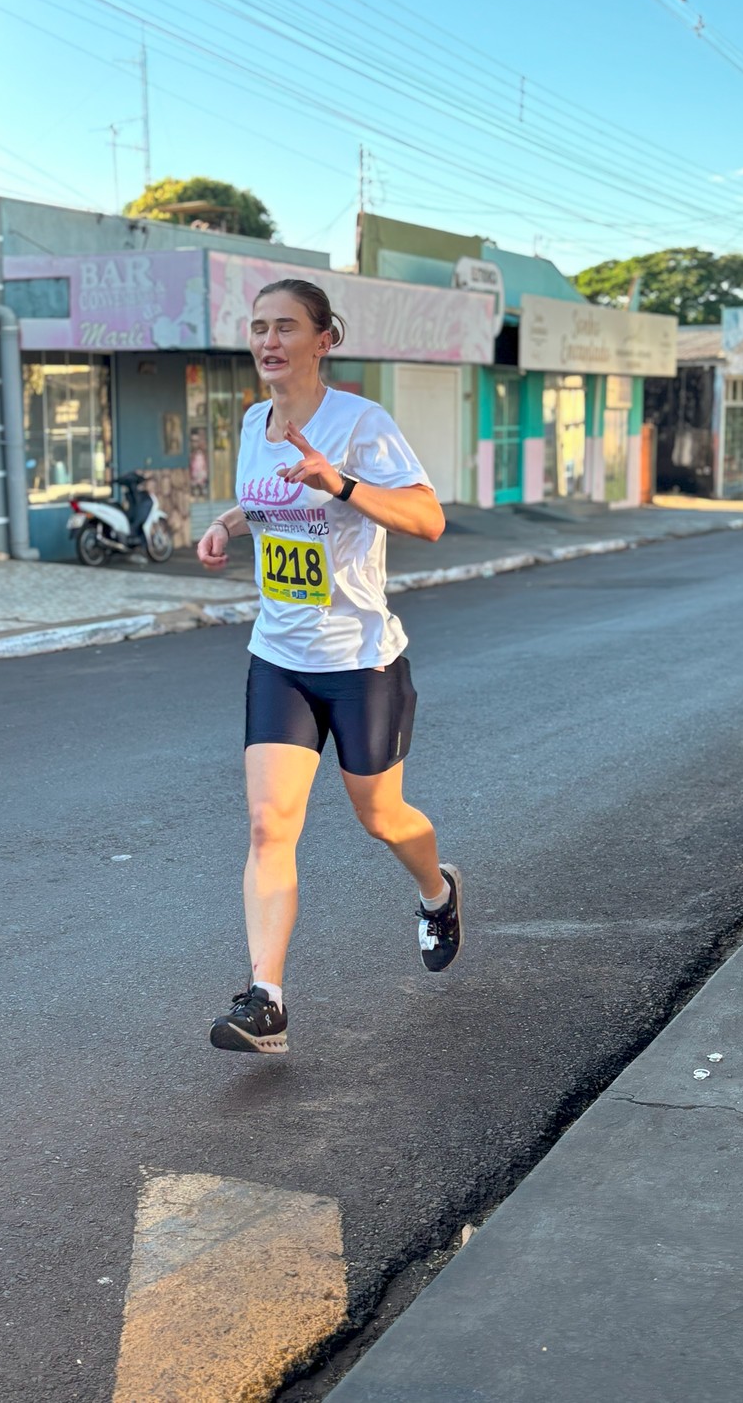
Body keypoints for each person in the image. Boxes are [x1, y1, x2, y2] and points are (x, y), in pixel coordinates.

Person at [196, 278, 463, 1054]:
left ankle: (437, 891)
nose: (268, 341)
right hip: (278, 654)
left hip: (359, 661)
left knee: (380, 817)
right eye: (258, 328)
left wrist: (340, 481)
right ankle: (265, 1001)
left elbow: (428, 518)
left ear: (324, 339)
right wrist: (224, 521)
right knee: (266, 824)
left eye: (285, 327)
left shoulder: (359, 422)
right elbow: (272, 497)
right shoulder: (255, 421)